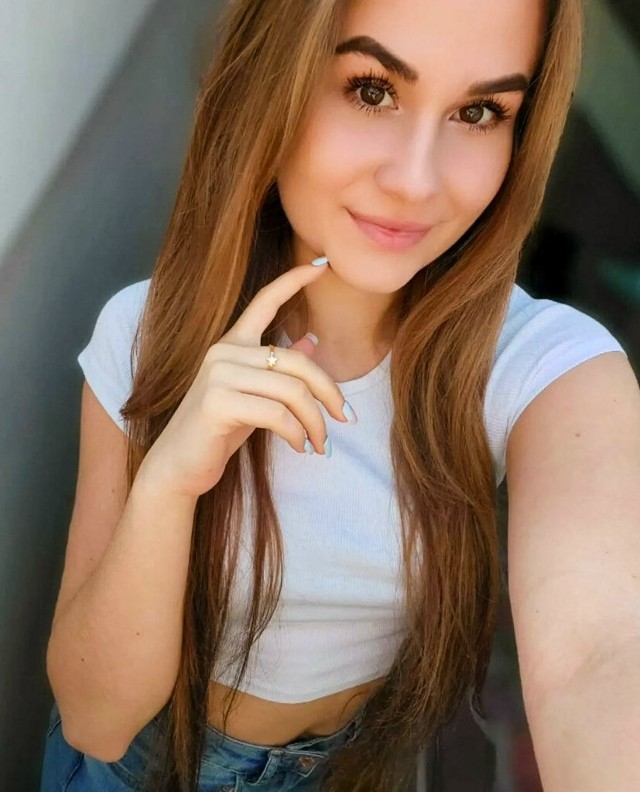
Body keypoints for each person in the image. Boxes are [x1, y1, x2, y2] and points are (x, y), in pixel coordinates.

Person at [40, 0, 640, 790]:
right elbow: (95, 721)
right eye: (371, 90)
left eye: (479, 112)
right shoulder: (148, 334)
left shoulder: (542, 366)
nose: (415, 180)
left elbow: (601, 657)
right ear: (274, 81)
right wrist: (171, 484)